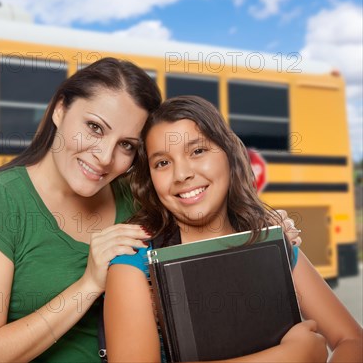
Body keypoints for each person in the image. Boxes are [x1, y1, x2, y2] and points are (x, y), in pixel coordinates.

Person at [0, 58, 303, 363]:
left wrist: (263, 236)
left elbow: (209, 257)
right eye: (94, 128)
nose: (104, 157)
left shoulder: (138, 199)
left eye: (126, 146)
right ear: (59, 110)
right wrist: (89, 285)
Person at [104, 95, 363, 362]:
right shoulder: (133, 263)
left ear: (229, 155)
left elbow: (352, 340)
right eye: (162, 163)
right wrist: (289, 356)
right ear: (150, 179)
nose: (181, 174)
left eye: (197, 151)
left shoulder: (272, 243)